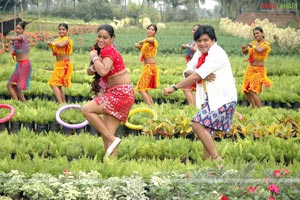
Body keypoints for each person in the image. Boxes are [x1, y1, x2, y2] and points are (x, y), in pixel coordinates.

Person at [164, 25, 237, 162]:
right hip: (210, 99)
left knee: (197, 124)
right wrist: (201, 75)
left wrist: (174, 87)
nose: (202, 43)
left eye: (206, 40)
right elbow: (188, 71)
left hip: (222, 99)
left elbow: (195, 75)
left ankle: (217, 159)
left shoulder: (217, 54)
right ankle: (209, 169)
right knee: (207, 136)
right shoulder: (200, 53)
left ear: (213, 40)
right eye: (199, 41)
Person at [81, 24, 135, 159]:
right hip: (120, 93)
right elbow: (90, 71)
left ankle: (112, 138)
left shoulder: (109, 50)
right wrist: (95, 58)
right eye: (99, 36)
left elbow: (104, 70)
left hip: (120, 93)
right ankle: (113, 166)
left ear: (112, 38)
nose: (101, 40)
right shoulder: (99, 51)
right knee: (106, 137)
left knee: (87, 109)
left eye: (105, 37)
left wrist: (94, 58)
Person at [241, 26, 272, 108]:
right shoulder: (253, 43)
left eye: (257, 33)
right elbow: (245, 52)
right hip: (250, 69)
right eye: (254, 34)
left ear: (262, 33)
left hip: (259, 70)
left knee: (253, 90)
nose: (256, 35)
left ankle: (260, 110)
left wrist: (252, 46)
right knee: (246, 90)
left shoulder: (266, 44)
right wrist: (243, 48)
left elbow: (259, 50)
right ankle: (253, 108)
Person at [47, 23, 73, 104]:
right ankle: (63, 103)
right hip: (58, 64)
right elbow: (55, 50)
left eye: (63, 29)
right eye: (60, 29)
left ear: (67, 31)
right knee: (58, 85)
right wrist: (50, 44)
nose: (61, 31)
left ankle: (60, 104)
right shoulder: (57, 39)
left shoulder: (67, 39)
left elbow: (61, 45)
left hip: (64, 65)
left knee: (53, 84)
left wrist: (53, 43)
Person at [134, 24, 159, 105]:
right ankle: (153, 107)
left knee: (141, 89)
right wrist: (138, 46)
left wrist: (141, 41)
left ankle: (150, 108)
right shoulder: (146, 42)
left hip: (150, 67)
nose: (150, 31)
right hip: (146, 67)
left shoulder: (153, 41)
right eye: (149, 29)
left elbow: (149, 40)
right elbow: (141, 49)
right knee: (144, 89)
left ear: (155, 32)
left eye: (152, 30)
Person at [7, 21, 32, 102]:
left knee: (12, 85)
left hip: (24, 65)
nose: (17, 30)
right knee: (14, 86)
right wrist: (11, 44)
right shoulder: (17, 40)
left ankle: (18, 104)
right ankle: (22, 104)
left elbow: (17, 38)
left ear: (23, 30)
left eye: (19, 28)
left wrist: (10, 38)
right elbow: (15, 45)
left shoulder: (23, 37)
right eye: (16, 28)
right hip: (19, 65)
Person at [181, 24, 199, 106]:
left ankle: (194, 107)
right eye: (193, 29)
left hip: (196, 68)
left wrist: (187, 46)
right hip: (190, 67)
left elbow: (196, 49)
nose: (194, 31)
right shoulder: (192, 41)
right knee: (187, 88)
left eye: (196, 30)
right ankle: (194, 106)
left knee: (186, 88)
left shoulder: (200, 41)